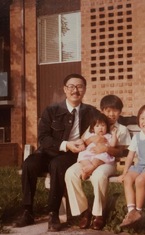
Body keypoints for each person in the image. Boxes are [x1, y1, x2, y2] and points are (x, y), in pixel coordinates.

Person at [14, 73, 99, 232]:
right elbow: (43, 138)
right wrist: (65, 144)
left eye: (79, 86)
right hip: (48, 151)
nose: (75, 90)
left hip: (72, 155)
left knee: (57, 165)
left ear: (85, 90)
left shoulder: (91, 112)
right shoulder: (51, 110)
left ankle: (53, 213)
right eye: (71, 87)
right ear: (65, 89)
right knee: (28, 164)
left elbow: (106, 123)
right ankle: (27, 211)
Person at [65, 94, 132, 230]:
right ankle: (84, 211)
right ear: (102, 111)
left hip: (107, 162)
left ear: (120, 112)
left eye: (115, 110)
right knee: (70, 173)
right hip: (87, 159)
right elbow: (84, 141)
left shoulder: (122, 130)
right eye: (108, 110)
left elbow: (121, 152)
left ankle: (99, 214)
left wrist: (106, 148)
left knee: (99, 176)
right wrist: (92, 140)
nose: (111, 114)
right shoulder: (95, 125)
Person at [78, 112, 117, 180]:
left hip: (100, 155)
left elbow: (113, 144)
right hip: (90, 153)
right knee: (82, 155)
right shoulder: (91, 135)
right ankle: (88, 168)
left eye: (103, 125)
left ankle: (90, 168)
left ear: (107, 127)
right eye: (97, 126)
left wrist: (114, 134)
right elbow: (83, 142)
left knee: (100, 157)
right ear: (93, 128)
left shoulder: (107, 136)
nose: (100, 128)